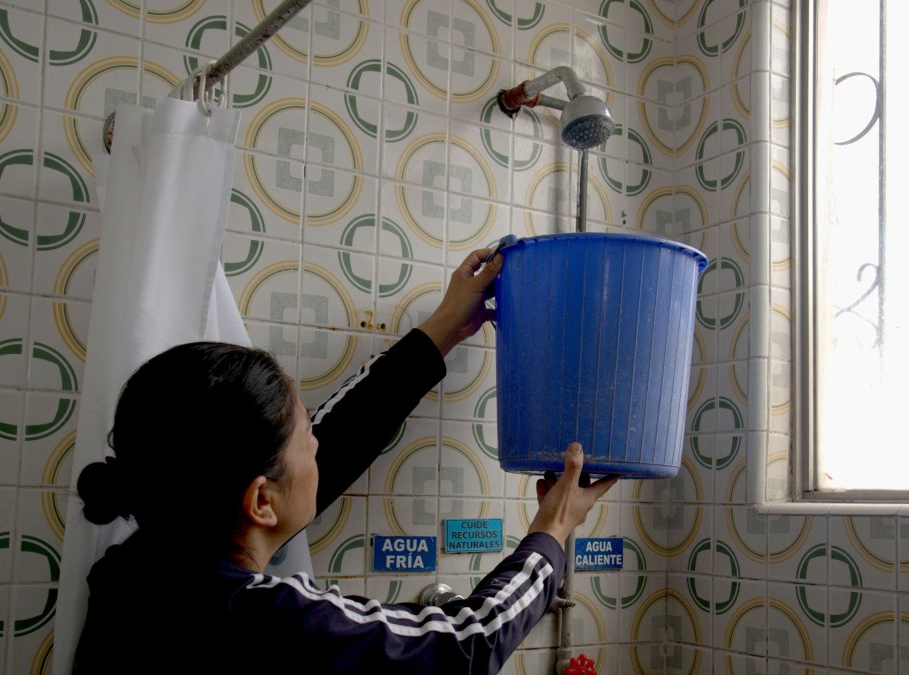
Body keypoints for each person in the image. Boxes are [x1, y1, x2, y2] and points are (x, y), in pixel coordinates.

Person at [72, 248, 619, 674]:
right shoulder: (266, 622)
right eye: (304, 434)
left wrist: (443, 329)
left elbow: (335, 440)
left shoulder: (135, 575)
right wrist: (554, 528)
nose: (316, 442)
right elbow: (465, 646)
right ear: (261, 500)